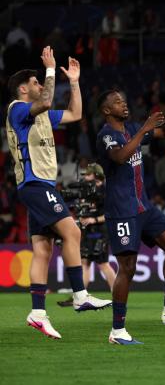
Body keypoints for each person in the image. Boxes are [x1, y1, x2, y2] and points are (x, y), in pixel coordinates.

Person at [6, 47, 111, 340]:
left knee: (42, 250)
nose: (40, 85)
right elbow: (47, 98)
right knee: (73, 232)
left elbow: (76, 113)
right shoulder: (17, 108)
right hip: (35, 183)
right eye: (36, 82)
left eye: (42, 80)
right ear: (24, 89)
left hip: (39, 186)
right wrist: (51, 69)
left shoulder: (41, 116)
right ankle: (80, 294)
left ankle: (38, 313)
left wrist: (75, 82)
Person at [97, 90, 165, 345]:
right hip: (121, 210)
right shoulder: (107, 135)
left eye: (124, 100)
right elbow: (119, 157)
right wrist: (144, 130)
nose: (123, 104)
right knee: (127, 268)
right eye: (117, 102)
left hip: (143, 207)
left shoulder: (131, 128)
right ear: (107, 111)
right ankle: (117, 331)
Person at [58, 163, 116, 308]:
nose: (86, 177)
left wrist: (93, 219)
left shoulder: (104, 191)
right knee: (84, 262)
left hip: (101, 230)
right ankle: (79, 295)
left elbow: (111, 214)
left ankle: (118, 294)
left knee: (103, 264)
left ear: (96, 175)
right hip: (87, 231)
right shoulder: (87, 190)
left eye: (88, 174)